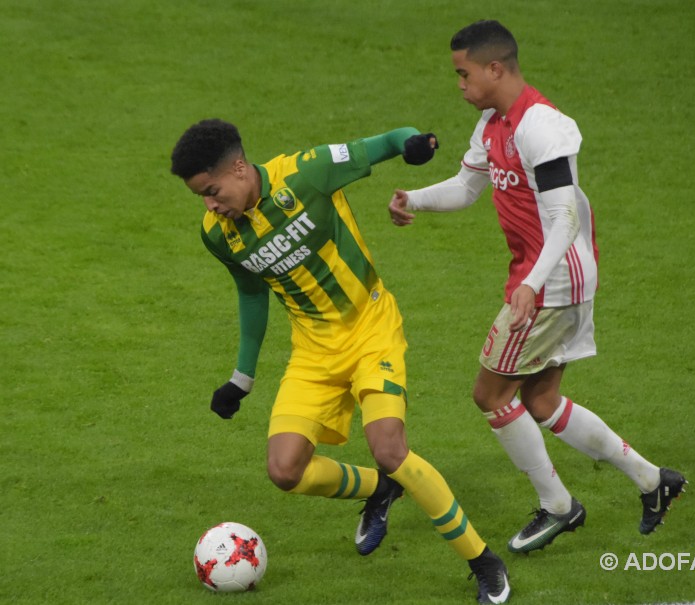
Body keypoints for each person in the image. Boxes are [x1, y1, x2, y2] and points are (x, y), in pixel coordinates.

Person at [170, 119, 510, 604]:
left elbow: (382, 143)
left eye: (212, 190)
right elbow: (250, 292)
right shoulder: (218, 233)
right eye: (201, 197)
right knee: (286, 471)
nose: (210, 205)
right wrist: (241, 379)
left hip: (371, 330)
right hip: (313, 353)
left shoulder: (306, 173)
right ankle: (379, 490)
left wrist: (414, 144)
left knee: (390, 448)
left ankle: (483, 561)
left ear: (240, 168)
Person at [388, 20, 686, 554]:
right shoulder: (492, 122)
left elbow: (564, 218)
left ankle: (559, 507)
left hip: (553, 282)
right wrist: (414, 198)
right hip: (546, 277)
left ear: (495, 68)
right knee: (542, 397)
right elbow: (465, 187)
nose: (459, 84)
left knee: (490, 393)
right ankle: (653, 481)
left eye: (464, 73)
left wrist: (531, 283)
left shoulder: (542, 128)